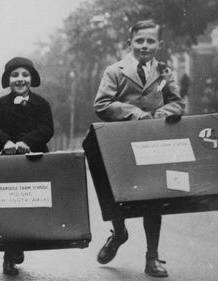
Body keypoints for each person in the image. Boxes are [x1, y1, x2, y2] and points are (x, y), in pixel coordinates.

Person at [93, 19, 184, 278]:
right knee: (117, 196)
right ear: (129, 42)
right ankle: (119, 233)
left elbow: (177, 103)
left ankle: (152, 257)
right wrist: (135, 114)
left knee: (154, 199)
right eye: (139, 40)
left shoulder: (165, 72)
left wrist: (160, 113)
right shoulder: (114, 70)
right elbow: (101, 104)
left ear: (159, 44)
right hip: (121, 145)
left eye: (150, 41)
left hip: (152, 145)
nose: (144, 45)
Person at [0, 57, 54, 275]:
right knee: (9, 205)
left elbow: (47, 129)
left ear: (31, 78)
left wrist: (27, 142)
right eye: (15, 75)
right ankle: (9, 253)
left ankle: (21, 243)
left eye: (24, 75)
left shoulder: (41, 104)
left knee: (30, 203)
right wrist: (7, 143)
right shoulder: (0, 104)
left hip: (35, 160)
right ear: (8, 80)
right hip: (8, 162)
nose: (20, 79)